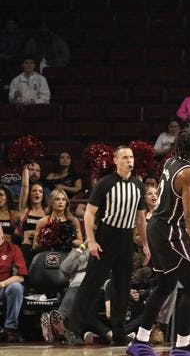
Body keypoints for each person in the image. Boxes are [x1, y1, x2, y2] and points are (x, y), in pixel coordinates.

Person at [127, 129, 190, 356]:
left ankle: (140, 341)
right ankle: (182, 346)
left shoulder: (170, 162)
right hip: (170, 231)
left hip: (156, 226)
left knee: (164, 286)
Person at [65, 146, 149, 346]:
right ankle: (73, 329)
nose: (130, 161)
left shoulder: (138, 185)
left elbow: (140, 219)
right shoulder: (106, 183)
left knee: (122, 287)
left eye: (131, 157)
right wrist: (92, 241)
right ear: (115, 160)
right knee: (91, 286)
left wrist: (145, 244)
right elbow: (89, 214)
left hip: (126, 239)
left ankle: (118, 332)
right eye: (125, 157)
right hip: (105, 236)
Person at [0, 226, 27, 343]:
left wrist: (2, 284)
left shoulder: (13, 249)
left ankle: (10, 329)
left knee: (16, 287)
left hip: (5, 288)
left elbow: (20, 277)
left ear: (1, 233)